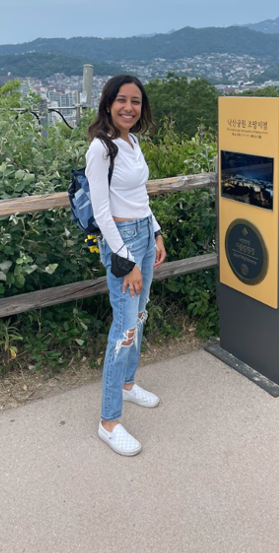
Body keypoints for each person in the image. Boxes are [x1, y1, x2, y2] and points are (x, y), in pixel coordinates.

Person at [86, 74, 166, 456]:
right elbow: (102, 212)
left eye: (136, 101)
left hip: (143, 236)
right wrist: (125, 260)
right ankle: (108, 421)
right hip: (122, 242)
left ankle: (128, 384)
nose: (129, 107)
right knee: (123, 330)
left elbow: (139, 195)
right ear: (107, 104)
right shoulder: (101, 149)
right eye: (122, 100)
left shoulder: (131, 141)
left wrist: (156, 232)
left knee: (139, 317)